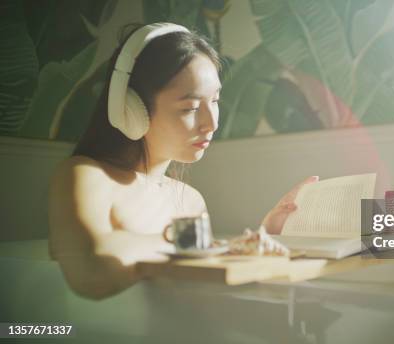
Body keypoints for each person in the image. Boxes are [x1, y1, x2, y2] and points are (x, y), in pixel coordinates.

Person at [47, 22, 317, 300]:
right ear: (131, 107)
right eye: (190, 107)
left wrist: (262, 238)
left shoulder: (190, 201)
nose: (211, 123)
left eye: (215, 101)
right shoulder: (85, 174)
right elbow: (90, 274)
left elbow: (195, 298)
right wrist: (186, 240)